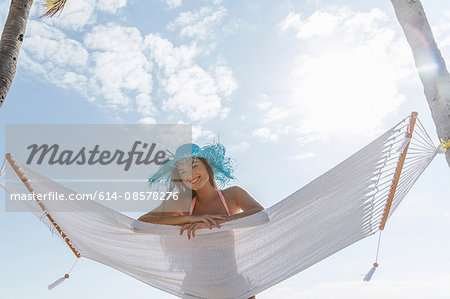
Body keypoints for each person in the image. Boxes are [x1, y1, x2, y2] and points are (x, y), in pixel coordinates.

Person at [138, 142, 264, 299]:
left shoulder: (232, 195)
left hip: (234, 286)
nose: (189, 175)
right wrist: (190, 218)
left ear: (207, 165)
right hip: (197, 289)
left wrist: (216, 222)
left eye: (194, 165)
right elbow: (140, 224)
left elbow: (261, 215)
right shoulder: (181, 203)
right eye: (182, 171)